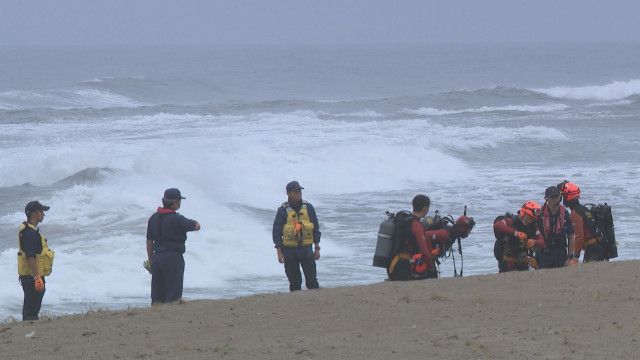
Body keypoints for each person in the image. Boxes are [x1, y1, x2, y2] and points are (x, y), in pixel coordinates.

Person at [387, 195, 473, 280]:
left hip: (393, 265)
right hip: (402, 268)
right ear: (425, 209)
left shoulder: (405, 220)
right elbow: (425, 251)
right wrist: (431, 268)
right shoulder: (416, 224)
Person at [146, 188, 200, 304]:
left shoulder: (153, 218)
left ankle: (155, 319)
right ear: (175, 202)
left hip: (157, 258)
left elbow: (149, 241)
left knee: (157, 297)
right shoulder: (177, 219)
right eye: (179, 201)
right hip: (173, 259)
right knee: (173, 296)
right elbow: (196, 226)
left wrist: (151, 261)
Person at [272, 181, 321, 291]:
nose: (299, 193)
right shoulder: (283, 210)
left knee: (312, 281)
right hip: (289, 251)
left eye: (299, 191)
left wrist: (317, 248)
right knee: (294, 282)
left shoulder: (308, 208)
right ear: (289, 194)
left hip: (306, 250)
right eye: (296, 191)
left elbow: (316, 229)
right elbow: (277, 232)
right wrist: (279, 252)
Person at [17, 201, 54, 321]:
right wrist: (37, 278)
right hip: (32, 276)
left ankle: (30, 325)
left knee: (32, 306)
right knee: (31, 310)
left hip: (31, 276)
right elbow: (30, 257)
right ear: (34, 213)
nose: (43, 214)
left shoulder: (30, 231)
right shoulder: (30, 233)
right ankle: (29, 328)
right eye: (41, 211)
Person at [558, 181, 604, 262]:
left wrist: (576, 257)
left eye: (563, 196)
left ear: (567, 197)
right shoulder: (583, 209)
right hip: (599, 245)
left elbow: (579, 236)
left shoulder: (575, 213)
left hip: (592, 248)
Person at [493, 201, 544, 272]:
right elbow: (497, 225)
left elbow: (542, 241)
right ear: (523, 212)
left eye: (533, 218)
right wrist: (516, 233)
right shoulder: (511, 221)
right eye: (529, 217)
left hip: (523, 258)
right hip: (507, 258)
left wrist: (534, 242)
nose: (530, 220)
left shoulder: (533, 226)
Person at [537, 186, 576, 268]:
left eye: (557, 196)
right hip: (544, 254)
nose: (555, 199)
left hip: (560, 252)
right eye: (552, 197)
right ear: (546, 198)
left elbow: (571, 236)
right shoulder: (540, 214)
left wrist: (570, 257)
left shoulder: (564, 213)